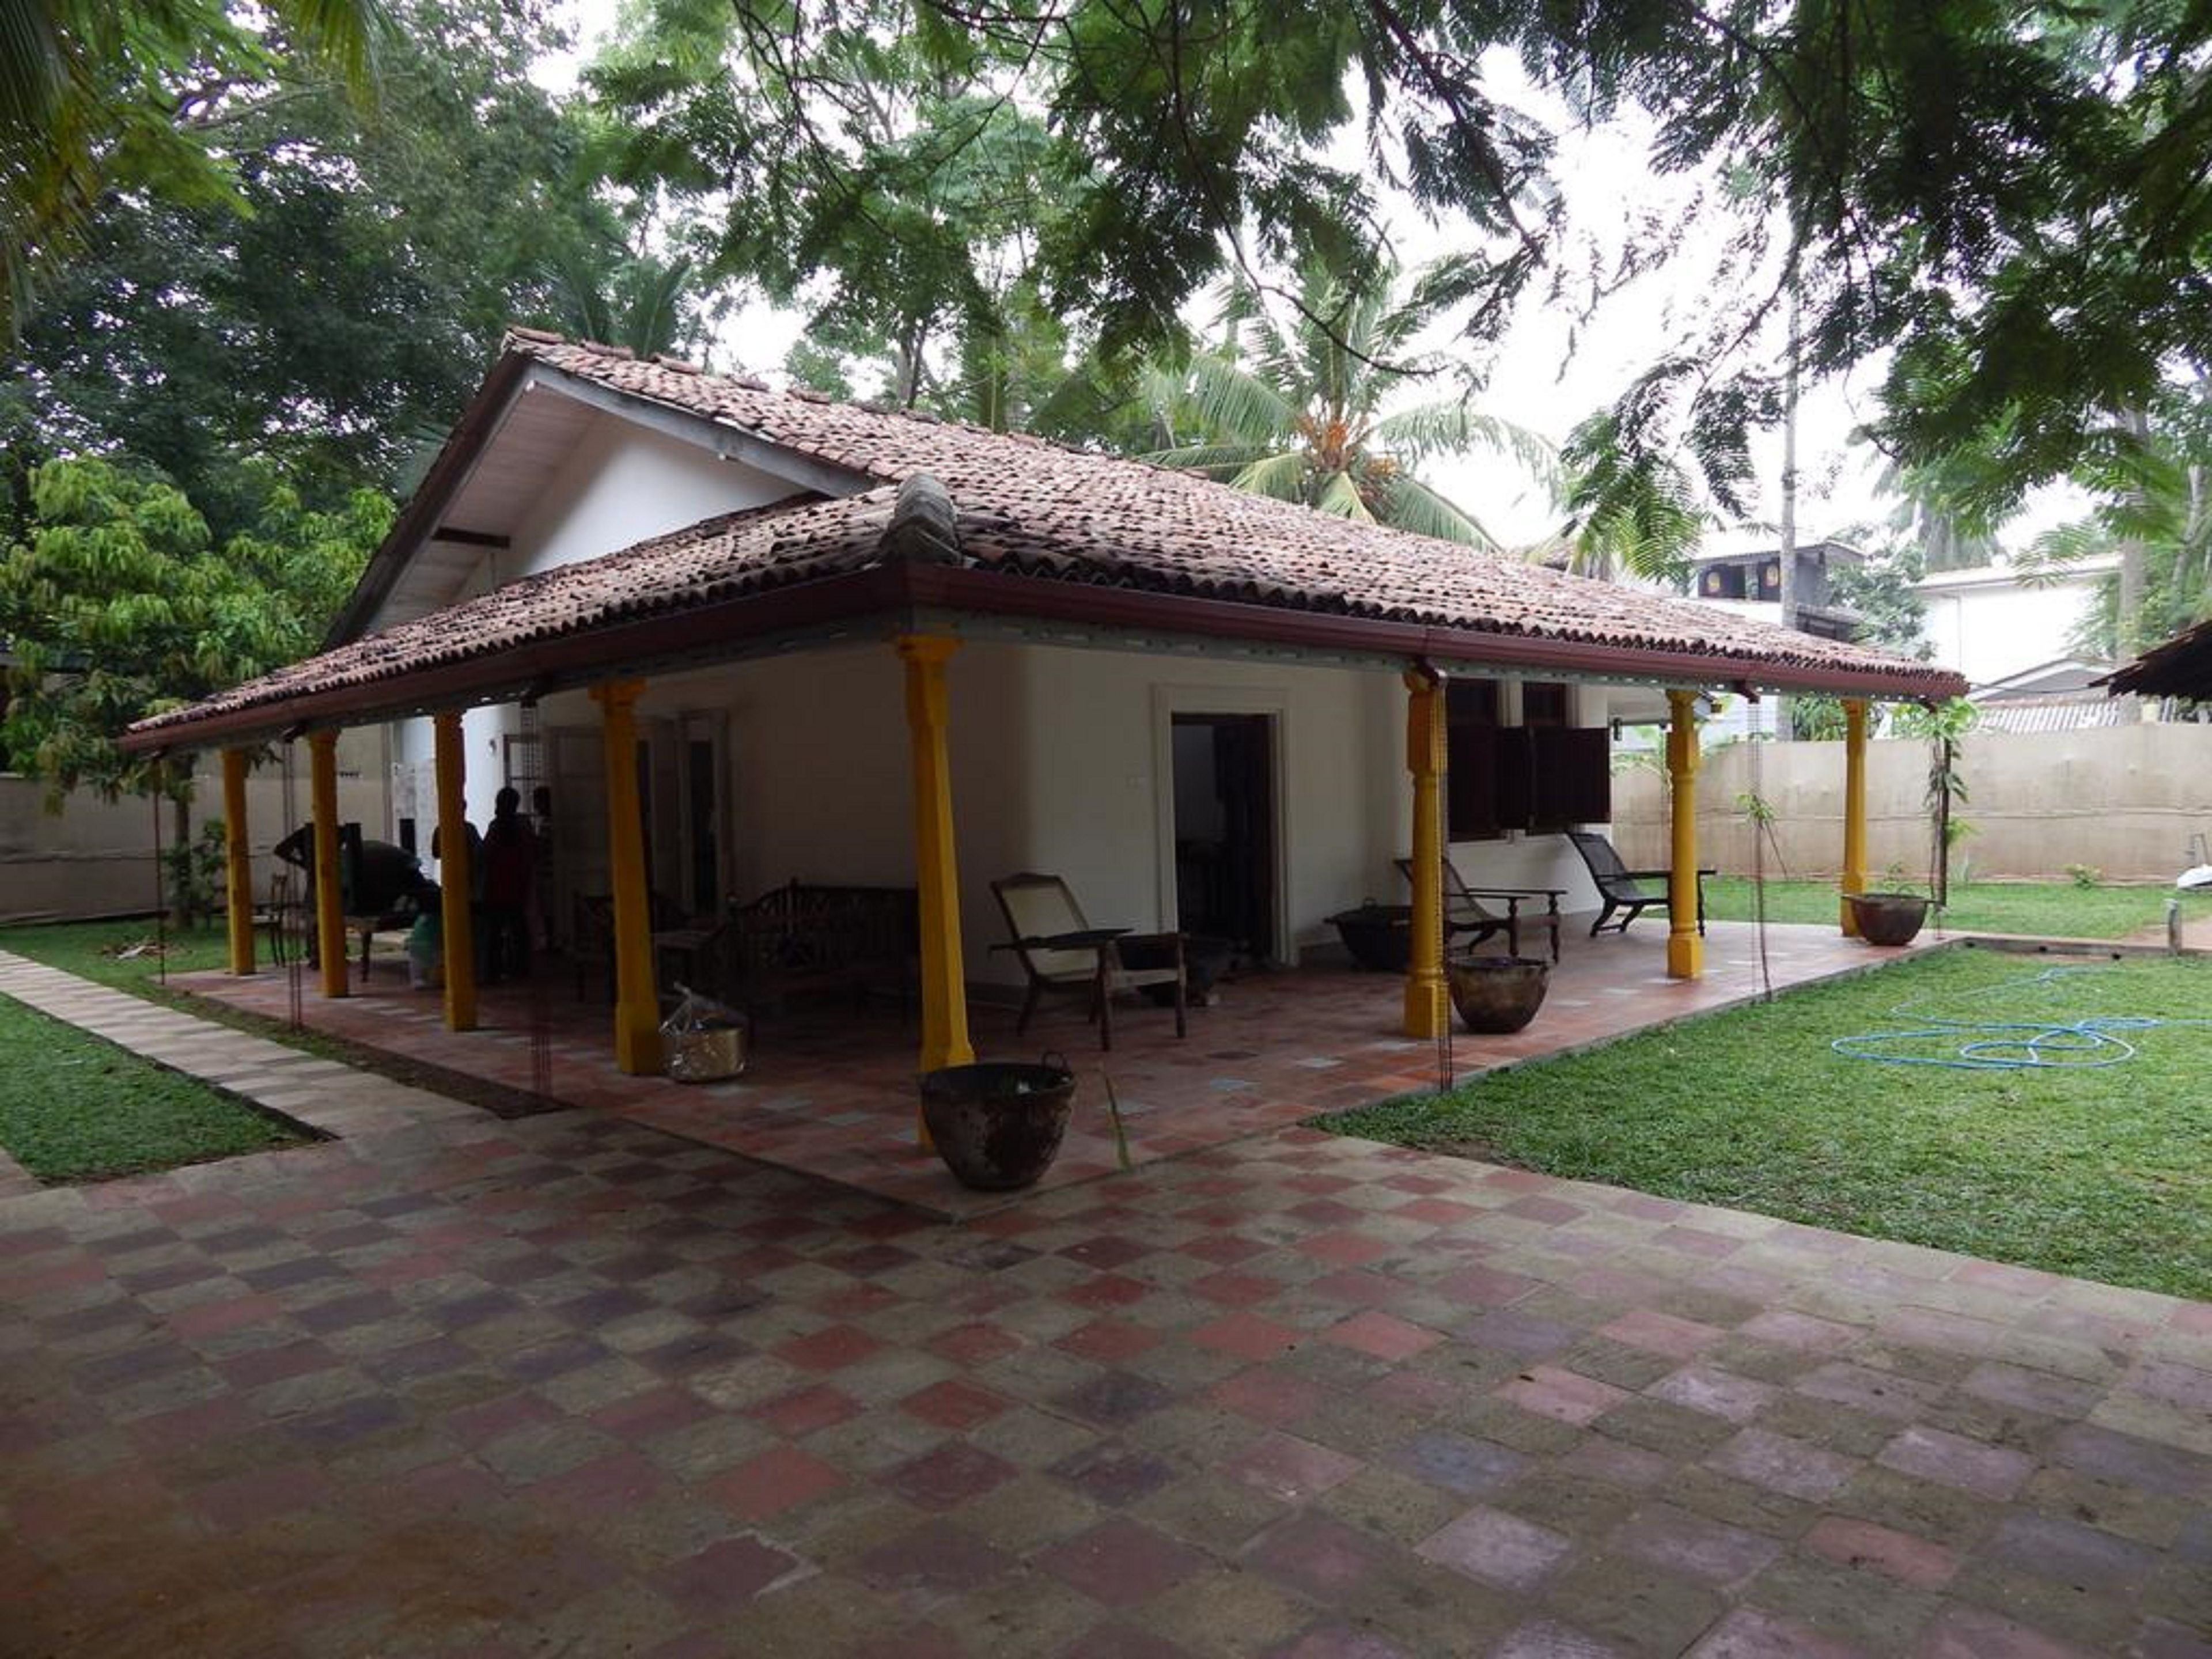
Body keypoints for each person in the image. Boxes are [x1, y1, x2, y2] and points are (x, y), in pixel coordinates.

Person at [480, 786, 537, 983]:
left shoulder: (496, 827)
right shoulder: (524, 826)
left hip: (496, 885)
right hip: (518, 883)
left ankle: (493, 971)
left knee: (494, 931)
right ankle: (521, 968)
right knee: (518, 928)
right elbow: (530, 853)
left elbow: (485, 855)